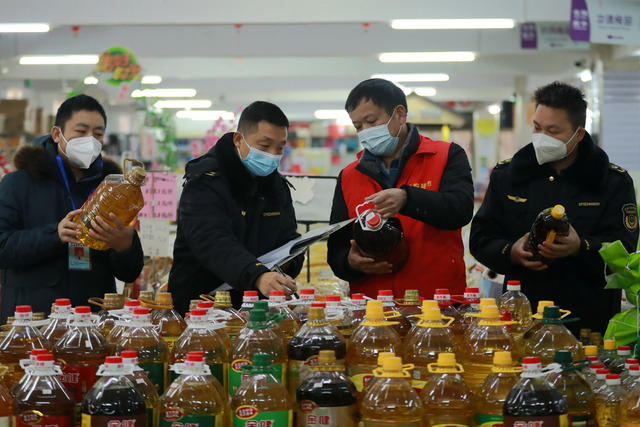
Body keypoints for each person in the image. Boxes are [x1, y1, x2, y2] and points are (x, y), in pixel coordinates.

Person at [470, 81, 638, 333]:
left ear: (578, 134)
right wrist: (511, 251)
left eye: (553, 131)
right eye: (537, 128)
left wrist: (580, 248)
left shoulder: (611, 181)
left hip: (590, 320)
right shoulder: (508, 176)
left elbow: (624, 251)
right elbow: (481, 238)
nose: (542, 138)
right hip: (522, 317)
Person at [0, 94, 144, 323]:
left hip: (92, 322)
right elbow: (3, 248)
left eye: (98, 134)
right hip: (33, 321)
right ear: (57, 134)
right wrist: (54, 234)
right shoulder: (18, 184)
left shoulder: (113, 189)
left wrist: (125, 247)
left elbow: (129, 272)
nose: (90, 140)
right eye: (81, 131)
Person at [327, 78, 474, 299]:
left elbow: (460, 210)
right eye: (358, 126)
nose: (365, 131)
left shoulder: (446, 156)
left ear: (399, 114)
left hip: (437, 304)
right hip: (373, 309)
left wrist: (408, 199)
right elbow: (336, 248)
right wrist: (349, 262)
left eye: (371, 121)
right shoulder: (349, 175)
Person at [168, 101, 304, 313]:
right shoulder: (205, 182)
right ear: (239, 140)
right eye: (264, 146)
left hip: (255, 309)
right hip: (200, 307)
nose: (272, 155)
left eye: (279, 148)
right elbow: (212, 242)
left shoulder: (276, 186)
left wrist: (290, 263)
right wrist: (257, 275)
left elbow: (286, 236)